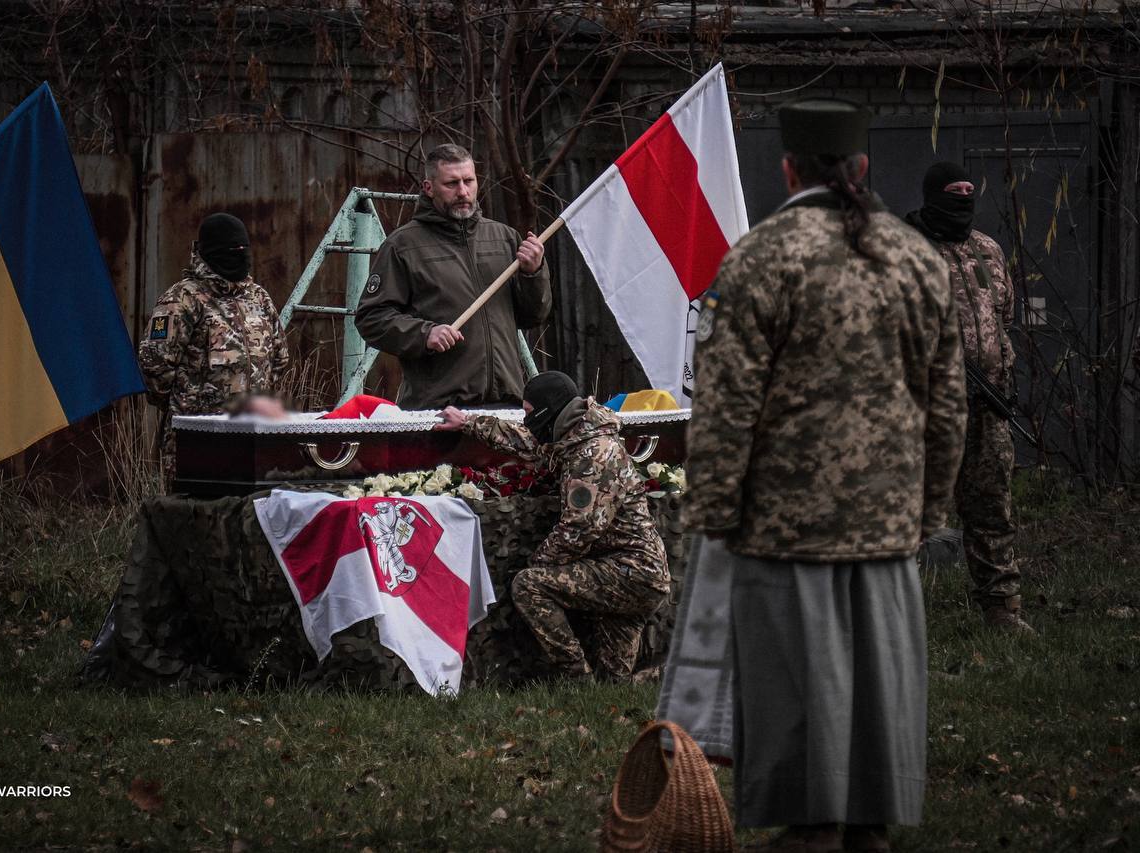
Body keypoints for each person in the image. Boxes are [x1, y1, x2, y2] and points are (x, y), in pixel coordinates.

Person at [681, 100, 968, 852]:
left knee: (793, 676)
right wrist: (927, 510)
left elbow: (725, 401)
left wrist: (711, 513)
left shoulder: (761, 257)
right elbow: (948, 404)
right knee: (881, 676)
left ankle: (810, 824)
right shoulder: (916, 258)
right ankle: (869, 820)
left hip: (786, 522)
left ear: (788, 169)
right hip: (888, 517)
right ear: (862, 167)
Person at [435, 371, 669, 681]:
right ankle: (676, 677)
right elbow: (529, 442)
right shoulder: (575, 434)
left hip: (632, 573)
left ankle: (576, 679)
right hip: (632, 570)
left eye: (530, 412)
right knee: (615, 684)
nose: (527, 420)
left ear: (549, 409)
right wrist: (469, 422)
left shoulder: (592, 455)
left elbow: (578, 530)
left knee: (529, 586)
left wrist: (538, 566)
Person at [906, 163, 1033, 633]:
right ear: (931, 196)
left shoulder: (987, 249)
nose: (963, 198)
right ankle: (888, 617)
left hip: (985, 403)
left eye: (968, 191)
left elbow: (1003, 316)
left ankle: (1002, 609)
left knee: (991, 506)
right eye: (952, 192)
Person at [356, 144, 552, 410]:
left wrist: (533, 273)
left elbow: (533, 316)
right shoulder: (403, 246)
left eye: (468, 181)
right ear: (428, 188)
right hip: (439, 409)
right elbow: (371, 319)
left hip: (506, 405)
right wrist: (424, 333)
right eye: (451, 183)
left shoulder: (504, 238)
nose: (462, 192)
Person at [139, 212, 290, 482]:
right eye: (232, 250)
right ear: (209, 252)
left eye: (243, 249)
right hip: (198, 440)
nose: (239, 255)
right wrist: (189, 406)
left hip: (255, 436)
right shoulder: (181, 300)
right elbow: (154, 368)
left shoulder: (259, 298)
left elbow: (279, 357)